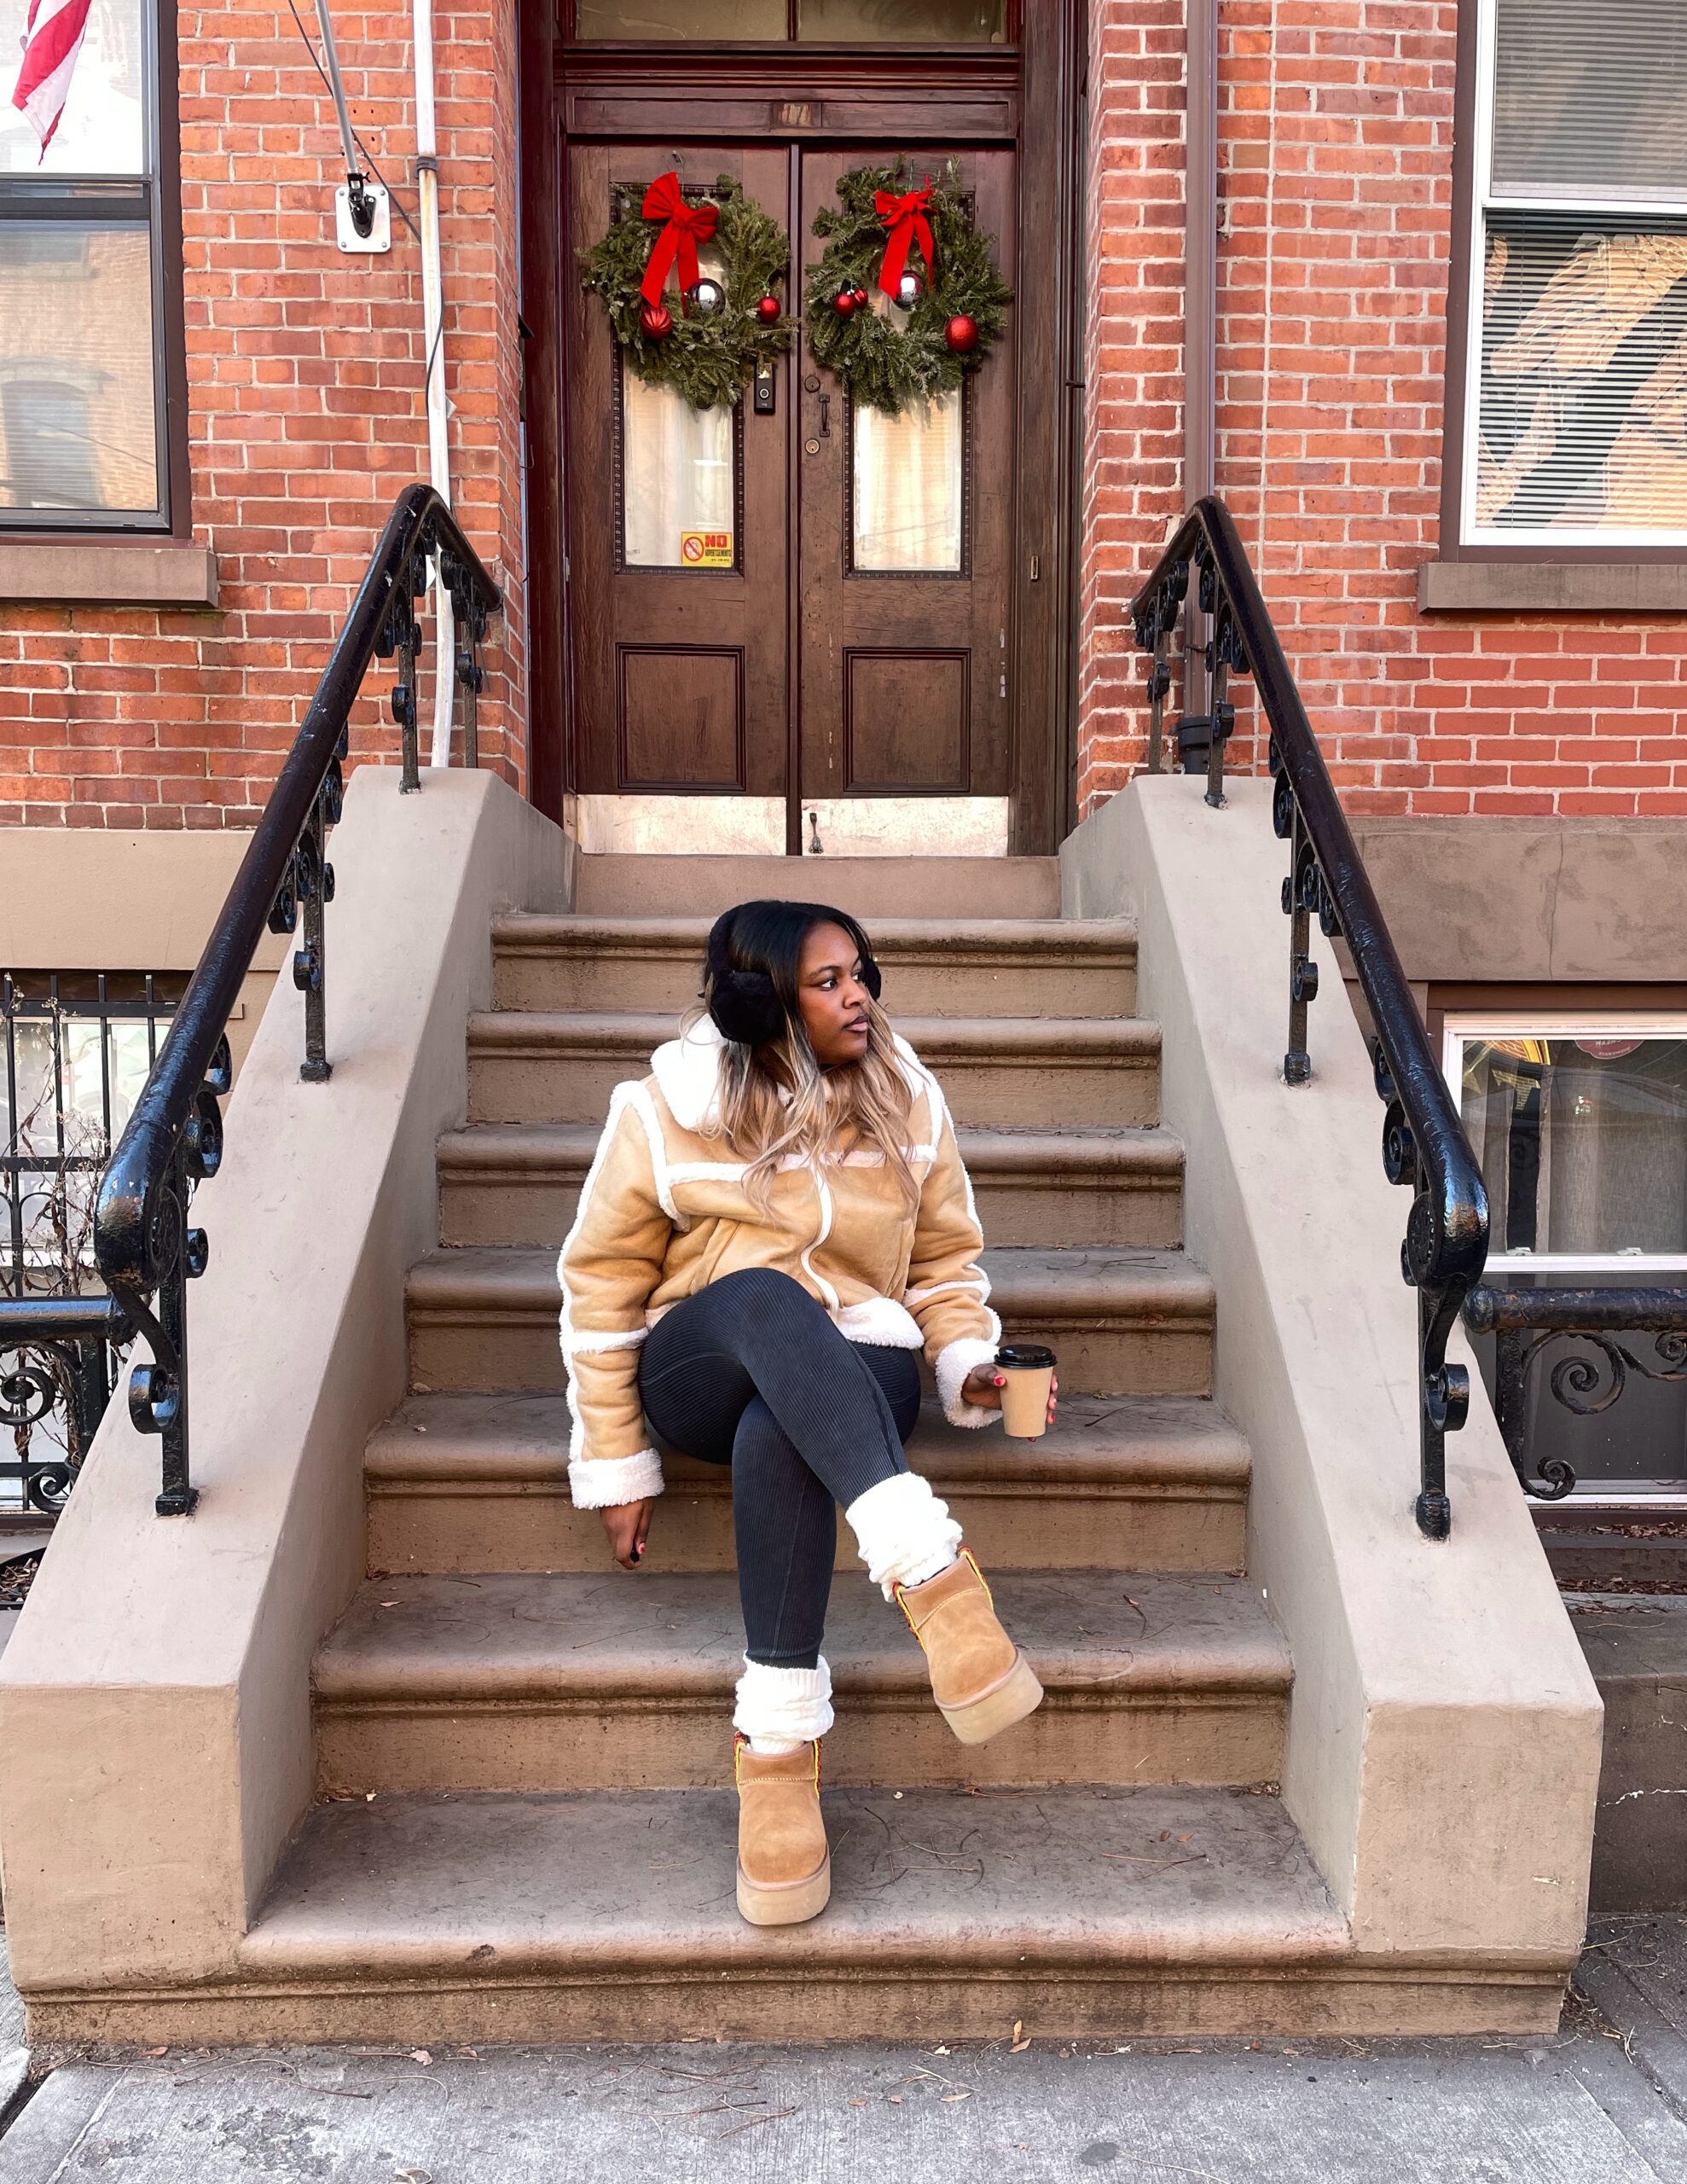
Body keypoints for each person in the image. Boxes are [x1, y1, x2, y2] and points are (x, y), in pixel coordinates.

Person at [557, 898, 1057, 1928]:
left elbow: (943, 1263)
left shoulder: (907, 1100)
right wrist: (615, 1458)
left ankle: (777, 1756)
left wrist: (966, 1362)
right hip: (702, 1357)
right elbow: (602, 1283)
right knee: (764, 1293)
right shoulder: (663, 1109)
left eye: (861, 971)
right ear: (765, 1001)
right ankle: (935, 1580)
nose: (858, 993)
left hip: (859, 1363)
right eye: (828, 981)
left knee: (781, 1429)